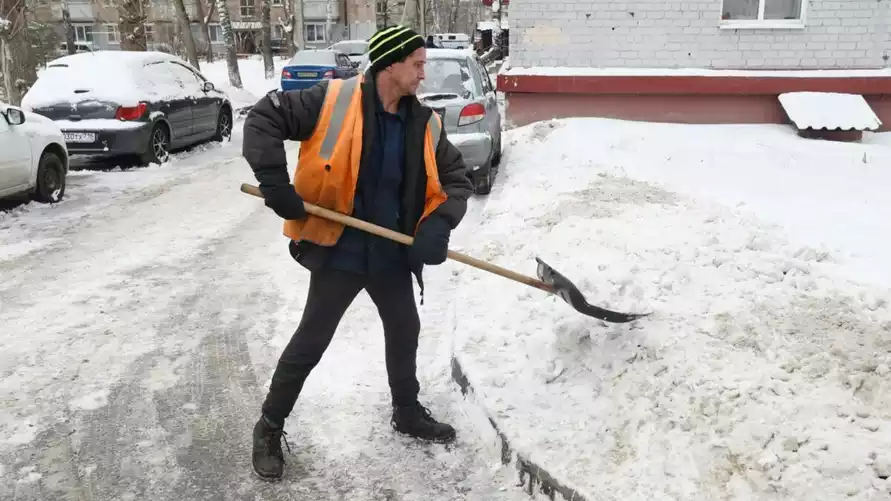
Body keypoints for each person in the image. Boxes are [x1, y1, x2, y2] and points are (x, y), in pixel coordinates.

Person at [241, 25, 473, 481]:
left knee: (405, 328)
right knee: (312, 340)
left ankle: (406, 410)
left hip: (389, 252)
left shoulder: (424, 123)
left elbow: (456, 182)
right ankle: (269, 426)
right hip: (339, 249)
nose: (423, 74)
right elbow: (264, 118)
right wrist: (275, 184)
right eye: (418, 64)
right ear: (390, 64)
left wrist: (439, 223)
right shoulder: (330, 100)